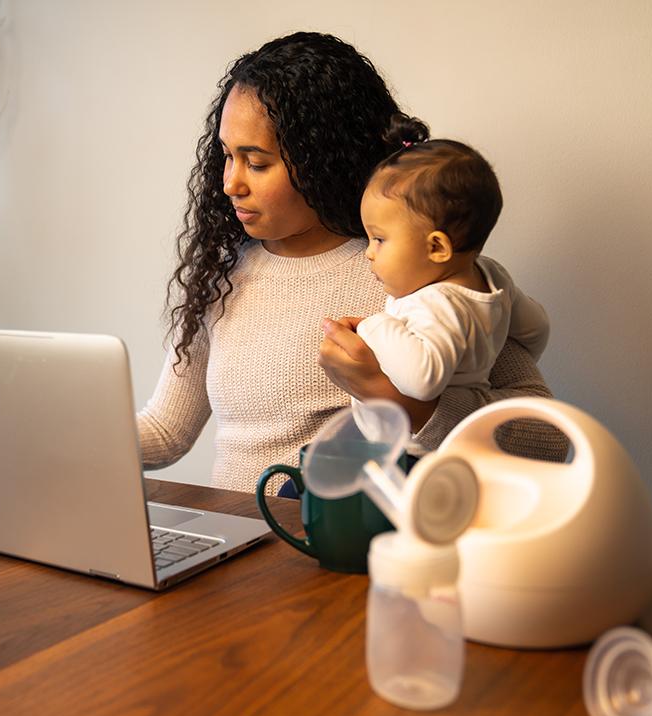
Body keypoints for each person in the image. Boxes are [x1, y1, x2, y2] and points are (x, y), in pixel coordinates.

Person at [135, 31, 565, 495]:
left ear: (321, 160)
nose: (229, 184)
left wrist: (404, 405)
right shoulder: (220, 277)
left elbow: (547, 438)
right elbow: (165, 432)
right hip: (239, 554)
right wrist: (59, 434)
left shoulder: (414, 272)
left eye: (256, 163)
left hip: (342, 557)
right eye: (226, 156)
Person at [355, 124, 550, 410]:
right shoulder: (494, 275)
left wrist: (372, 326)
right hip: (460, 427)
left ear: (437, 248)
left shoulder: (435, 304)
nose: (368, 253)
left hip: (416, 447)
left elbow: (421, 382)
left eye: (379, 239)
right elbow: (536, 329)